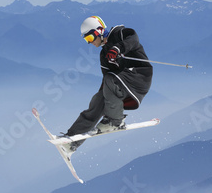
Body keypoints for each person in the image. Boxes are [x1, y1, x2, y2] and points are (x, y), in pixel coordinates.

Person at [62, 15, 153, 152]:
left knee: (110, 79)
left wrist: (118, 48)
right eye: (87, 40)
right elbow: (107, 82)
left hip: (139, 77)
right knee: (98, 100)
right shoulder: (104, 55)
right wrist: (102, 100)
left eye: (90, 38)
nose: (89, 42)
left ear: (99, 31)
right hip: (122, 81)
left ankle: (115, 121)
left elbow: (133, 39)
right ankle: (72, 141)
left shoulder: (118, 33)